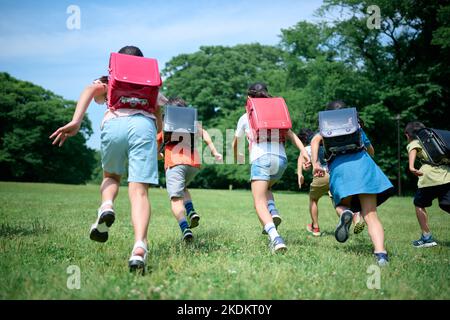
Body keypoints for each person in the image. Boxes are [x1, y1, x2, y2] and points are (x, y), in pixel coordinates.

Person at [50, 46, 165, 273]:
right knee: (139, 190)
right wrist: (158, 141)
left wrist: (76, 120)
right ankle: (140, 246)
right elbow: (160, 109)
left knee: (111, 176)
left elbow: (91, 90)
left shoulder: (110, 78)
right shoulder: (151, 82)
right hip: (144, 126)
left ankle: (107, 205)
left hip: (113, 124)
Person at [311, 100, 394, 266]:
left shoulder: (325, 130)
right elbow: (371, 151)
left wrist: (315, 164)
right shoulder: (357, 127)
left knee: (340, 205)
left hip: (341, 170)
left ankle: (345, 214)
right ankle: (381, 254)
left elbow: (314, 141)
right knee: (371, 215)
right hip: (363, 168)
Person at [232, 82, 310, 253]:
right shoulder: (275, 114)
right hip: (281, 160)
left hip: (261, 159)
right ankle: (273, 211)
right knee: (267, 188)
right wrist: (304, 152)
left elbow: (236, 141)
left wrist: (238, 156)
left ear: (249, 98)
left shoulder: (246, 117)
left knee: (258, 201)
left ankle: (275, 238)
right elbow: (291, 134)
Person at [157, 97, 222, 241]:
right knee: (183, 187)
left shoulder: (168, 123)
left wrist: (158, 155)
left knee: (175, 199)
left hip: (175, 163)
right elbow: (204, 133)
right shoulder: (191, 122)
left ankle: (185, 228)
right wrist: (214, 151)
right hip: (193, 164)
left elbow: (158, 142)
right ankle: (191, 211)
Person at [298, 129, 366, 237]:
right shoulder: (330, 144)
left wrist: (301, 172)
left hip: (321, 176)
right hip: (336, 174)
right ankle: (354, 218)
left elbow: (303, 163)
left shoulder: (307, 148)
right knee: (340, 203)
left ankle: (315, 227)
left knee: (313, 199)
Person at [405, 121, 450, 247]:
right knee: (446, 204)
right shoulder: (436, 140)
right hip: (447, 177)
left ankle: (427, 237)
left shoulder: (415, 142)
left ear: (407, 135)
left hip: (429, 179)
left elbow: (413, 149)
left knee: (419, 204)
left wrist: (411, 166)